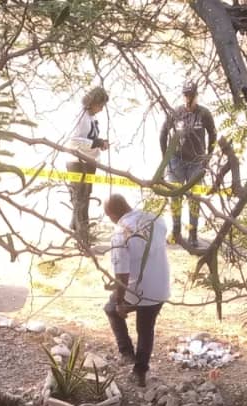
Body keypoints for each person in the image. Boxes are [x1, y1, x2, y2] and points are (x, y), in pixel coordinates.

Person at [103, 194, 170, 387]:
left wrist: (120, 302)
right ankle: (139, 371)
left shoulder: (120, 234)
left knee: (111, 309)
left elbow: (121, 275)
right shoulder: (155, 219)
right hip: (160, 286)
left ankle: (127, 354)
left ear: (112, 214)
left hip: (137, 290)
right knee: (146, 328)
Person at [159, 79, 216, 248]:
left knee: (194, 198)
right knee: (175, 195)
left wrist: (208, 156)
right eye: (186, 95)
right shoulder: (176, 112)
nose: (188, 98)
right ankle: (176, 231)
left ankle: (193, 234)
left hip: (196, 162)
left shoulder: (204, 113)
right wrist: (165, 159)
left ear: (196, 95)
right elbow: (163, 133)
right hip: (177, 160)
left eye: (191, 95)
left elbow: (213, 134)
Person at [64, 86, 109, 251]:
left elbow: (89, 138)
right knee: (79, 199)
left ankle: (80, 231)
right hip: (77, 162)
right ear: (93, 102)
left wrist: (100, 143)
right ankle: (81, 238)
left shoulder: (91, 118)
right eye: (100, 105)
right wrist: (95, 143)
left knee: (85, 197)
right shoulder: (80, 116)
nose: (101, 109)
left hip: (90, 162)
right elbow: (74, 140)